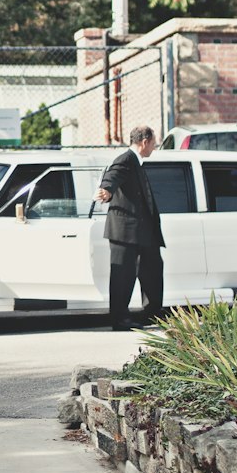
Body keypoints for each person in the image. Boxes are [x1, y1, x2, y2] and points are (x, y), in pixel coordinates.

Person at [94, 124, 164, 331]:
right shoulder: (125, 160)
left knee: (153, 270)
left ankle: (151, 314)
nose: (155, 146)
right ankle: (120, 319)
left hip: (143, 232)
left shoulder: (137, 162)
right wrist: (106, 190)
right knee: (122, 276)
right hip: (124, 231)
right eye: (153, 142)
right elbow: (112, 176)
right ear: (144, 142)